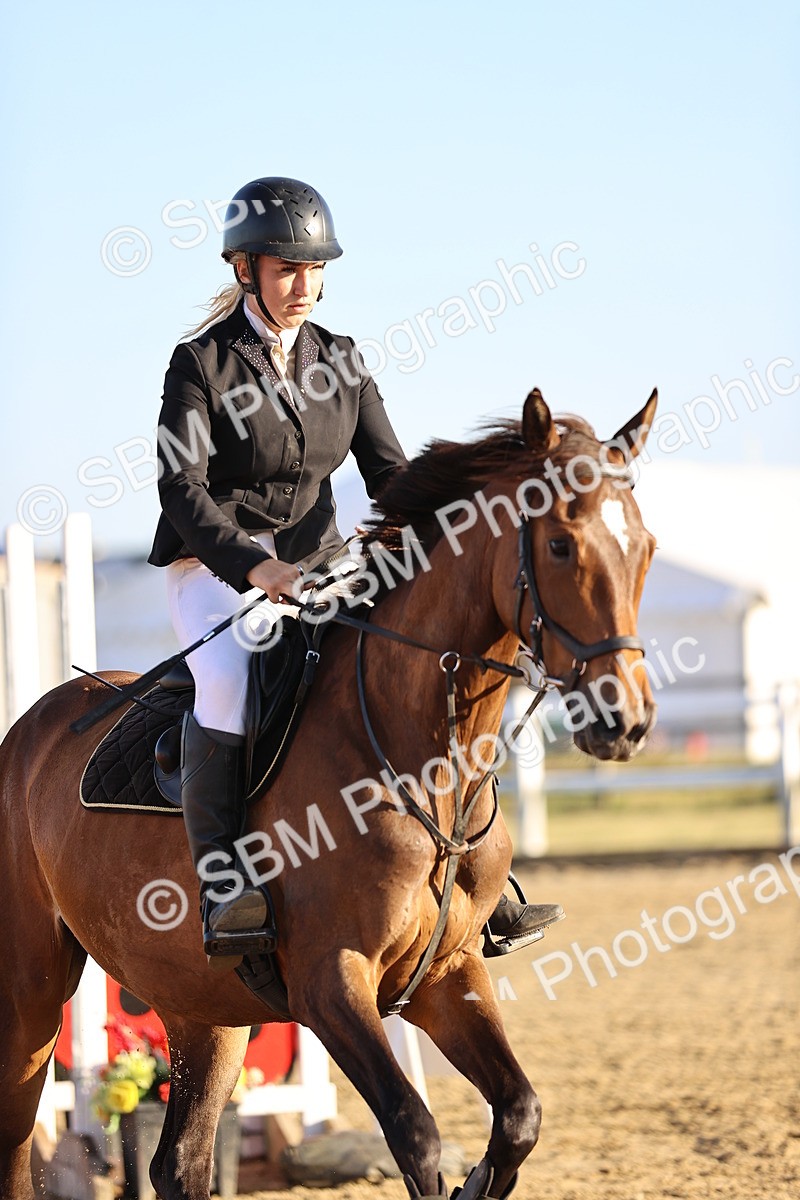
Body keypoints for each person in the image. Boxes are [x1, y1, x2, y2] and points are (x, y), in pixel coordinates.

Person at [148, 176, 563, 968]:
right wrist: (256, 566)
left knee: (417, 670)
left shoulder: (340, 358)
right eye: (286, 270)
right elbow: (183, 489)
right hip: (217, 568)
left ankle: (480, 873)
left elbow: (390, 475)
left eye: (314, 270)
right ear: (245, 270)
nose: (303, 286)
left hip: (322, 566)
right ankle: (224, 881)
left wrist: (447, 533)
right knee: (230, 684)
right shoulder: (199, 363)